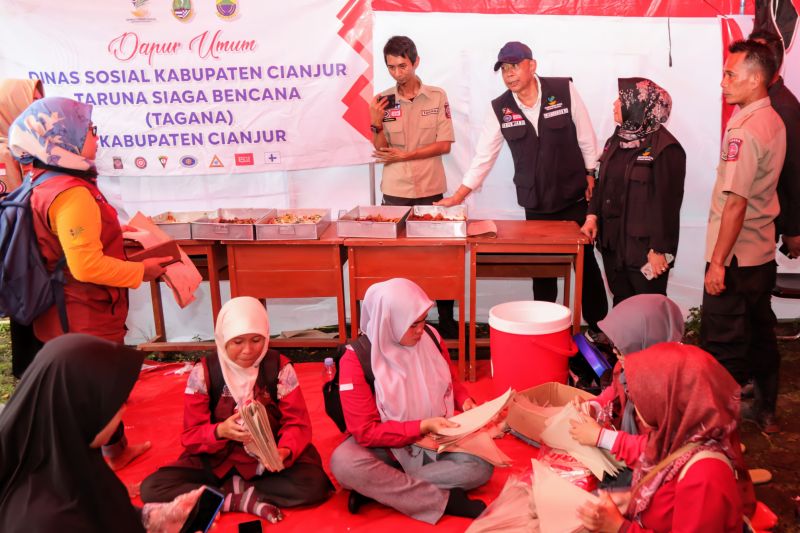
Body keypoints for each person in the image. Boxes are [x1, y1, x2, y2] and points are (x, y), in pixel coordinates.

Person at [7, 96, 168, 468]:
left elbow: (66, 241)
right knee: (93, 389)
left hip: (61, 310)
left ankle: (114, 450)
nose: (96, 137)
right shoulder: (71, 192)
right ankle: (85, 469)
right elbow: (86, 266)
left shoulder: (45, 181)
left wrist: (117, 231)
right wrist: (143, 272)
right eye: (90, 131)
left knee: (89, 387)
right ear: (63, 139)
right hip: (82, 312)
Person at [436, 41, 608, 335]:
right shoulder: (500, 108)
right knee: (542, 268)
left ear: (532, 65)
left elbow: (586, 135)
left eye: (514, 66)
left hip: (573, 195)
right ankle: (544, 324)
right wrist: (459, 195)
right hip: (536, 201)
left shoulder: (563, 91)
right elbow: (483, 156)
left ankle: (599, 325)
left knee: (586, 262)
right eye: (504, 69)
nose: (509, 74)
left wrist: (591, 172)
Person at [140, 297, 333, 522]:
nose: (248, 350)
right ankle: (243, 498)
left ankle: (221, 495)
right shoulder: (204, 372)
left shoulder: (279, 368)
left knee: (314, 484)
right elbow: (191, 436)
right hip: (216, 461)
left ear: (267, 335)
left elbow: (297, 424)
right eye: (238, 341)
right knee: (153, 488)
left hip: (265, 465)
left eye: (256, 339)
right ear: (223, 340)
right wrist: (220, 431)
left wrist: (284, 451)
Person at [0, 334, 206, 533]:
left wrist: (152, 518)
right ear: (82, 410)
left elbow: (102, 512)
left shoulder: (67, 457)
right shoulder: (44, 519)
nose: (124, 410)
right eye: (117, 402)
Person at [329, 278, 492, 524]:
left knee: (482, 467)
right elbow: (365, 432)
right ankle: (444, 500)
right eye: (412, 324)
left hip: (437, 437)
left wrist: (464, 400)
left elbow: (450, 381)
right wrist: (421, 426)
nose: (420, 330)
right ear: (388, 322)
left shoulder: (431, 338)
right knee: (344, 463)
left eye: (424, 320)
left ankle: (377, 490)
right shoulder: (357, 357)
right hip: (386, 445)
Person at [575, 343, 755, 532]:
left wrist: (619, 527)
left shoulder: (704, 477)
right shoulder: (679, 437)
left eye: (641, 394)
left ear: (667, 401)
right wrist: (631, 500)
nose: (635, 401)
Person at [700, 39, 786, 434]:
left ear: (755, 80)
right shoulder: (773, 118)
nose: (723, 82)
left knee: (723, 345)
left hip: (734, 257)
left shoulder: (745, 130)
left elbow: (735, 203)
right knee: (758, 332)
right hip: (759, 251)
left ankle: (719, 427)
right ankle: (765, 409)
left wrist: (717, 262)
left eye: (730, 74)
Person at [370, 35, 458, 338]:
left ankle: (445, 319)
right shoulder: (382, 100)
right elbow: (381, 149)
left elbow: (444, 144)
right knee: (395, 260)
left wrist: (407, 154)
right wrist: (375, 123)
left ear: (415, 62)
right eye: (391, 67)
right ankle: (398, 319)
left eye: (402, 66)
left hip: (431, 189)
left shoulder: (436, 97)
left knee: (440, 257)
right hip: (395, 191)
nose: (397, 73)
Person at [581, 79, 686, 306]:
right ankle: (622, 343)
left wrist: (659, 250)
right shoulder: (617, 139)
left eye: (621, 99)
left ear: (640, 104)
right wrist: (592, 216)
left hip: (645, 252)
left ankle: (651, 345)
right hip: (614, 246)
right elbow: (601, 182)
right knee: (622, 305)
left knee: (648, 309)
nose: (615, 104)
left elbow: (668, 206)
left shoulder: (666, 149)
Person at [570, 294, 684, 441]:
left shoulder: (668, 389)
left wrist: (603, 438)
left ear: (646, 343)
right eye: (613, 344)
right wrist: (594, 406)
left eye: (621, 346)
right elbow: (615, 391)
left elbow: (655, 450)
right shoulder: (627, 363)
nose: (614, 351)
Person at [0, 78, 45, 378]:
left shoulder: (21, 146)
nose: (39, 110)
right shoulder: (5, 153)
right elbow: (16, 205)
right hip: (21, 250)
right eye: (33, 102)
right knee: (28, 314)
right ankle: (32, 381)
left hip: (28, 249)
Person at [749, 29, 800, 259]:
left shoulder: (783, 107)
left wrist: (793, 229)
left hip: (770, 219)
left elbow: (794, 171)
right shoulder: (763, 99)